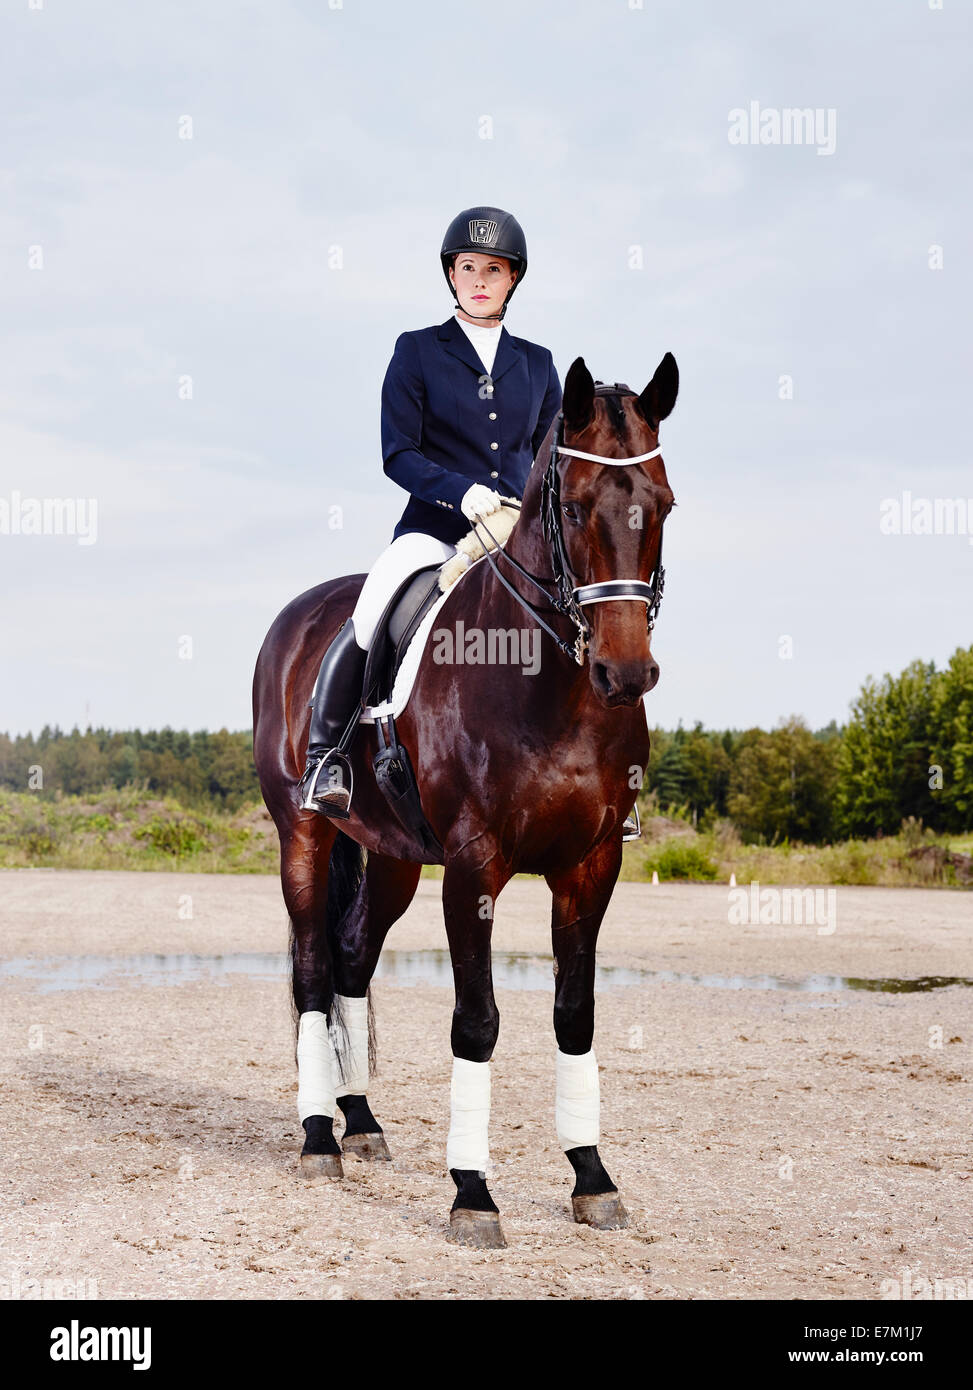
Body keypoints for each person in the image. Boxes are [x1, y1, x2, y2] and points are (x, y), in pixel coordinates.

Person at [300, 206, 562, 816]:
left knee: (582, 615)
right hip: (435, 530)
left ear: (512, 279)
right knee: (372, 610)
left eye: (492, 269)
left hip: (512, 537)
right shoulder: (417, 351)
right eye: (467, 267)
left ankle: (600, 777)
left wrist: (526, 512)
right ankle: (326, 759)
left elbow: (552, 461)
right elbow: (399, 454)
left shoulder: (540, 364)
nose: (478, 279)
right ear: (451, 274)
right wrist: (463, 493)